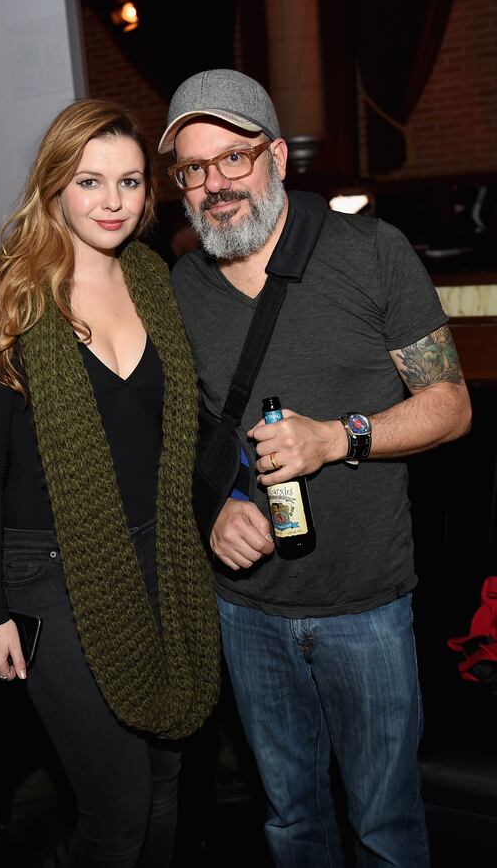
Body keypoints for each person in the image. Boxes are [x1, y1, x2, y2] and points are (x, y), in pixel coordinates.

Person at [158, 68, 472, 867]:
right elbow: (174, 432)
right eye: (194, 168)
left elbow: (451, 404)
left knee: (385, 827)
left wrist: (338, 437)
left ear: (277, 159)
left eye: (233, 159)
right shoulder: (177, 288)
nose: (215, 184)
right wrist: (215, 510)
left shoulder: (370, 252)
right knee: (290, 821)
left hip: (364, 607)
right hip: (246, 611)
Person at [0, 98, 220, 867]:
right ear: (54, 186)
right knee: (118, 805)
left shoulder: (153, 277)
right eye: (90, 180)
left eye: (130, 181)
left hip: (156, 556)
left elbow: (181, 427)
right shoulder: (10, 295)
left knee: (167, 775)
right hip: (46, 575)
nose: (112, 201)